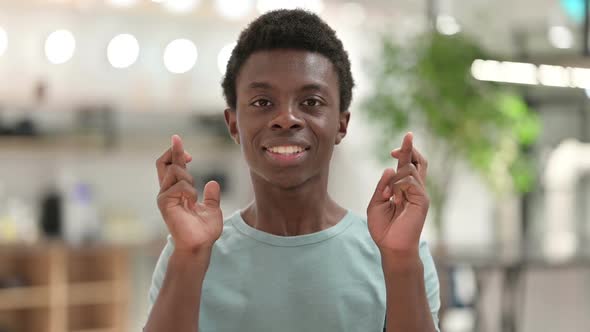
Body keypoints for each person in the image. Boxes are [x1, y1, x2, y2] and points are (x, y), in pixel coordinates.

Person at [144, 9, 440, 332]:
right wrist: (189, 256)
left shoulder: (398, 252)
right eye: (262, 102)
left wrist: (399, 260)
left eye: (311, 102)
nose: (286, 118)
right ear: (233, 125)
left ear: (341, 124)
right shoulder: (189, 252)